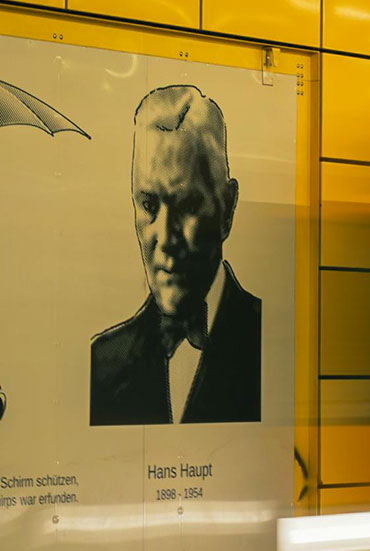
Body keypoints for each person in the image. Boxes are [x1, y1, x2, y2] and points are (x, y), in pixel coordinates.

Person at [90, 85, 261, 426]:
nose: (166, 238)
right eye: (149, 205)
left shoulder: (267, 343)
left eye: (186, 205)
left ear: (227, 209)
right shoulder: (103, 363)